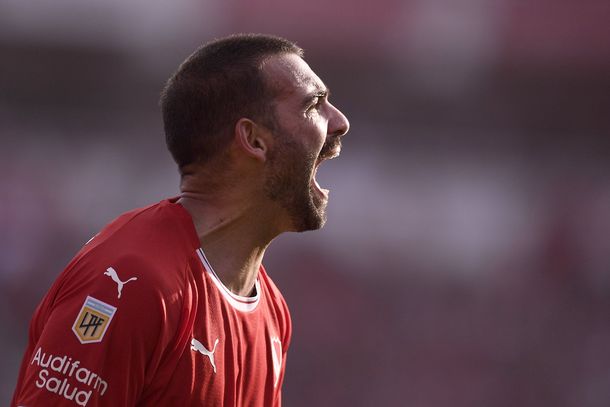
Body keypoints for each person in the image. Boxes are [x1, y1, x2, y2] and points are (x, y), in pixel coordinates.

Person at [11, 33, 349, 406]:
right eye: (313, 105)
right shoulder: (132, 282)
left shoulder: (272, 311)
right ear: (253, 139)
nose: (340, 122)